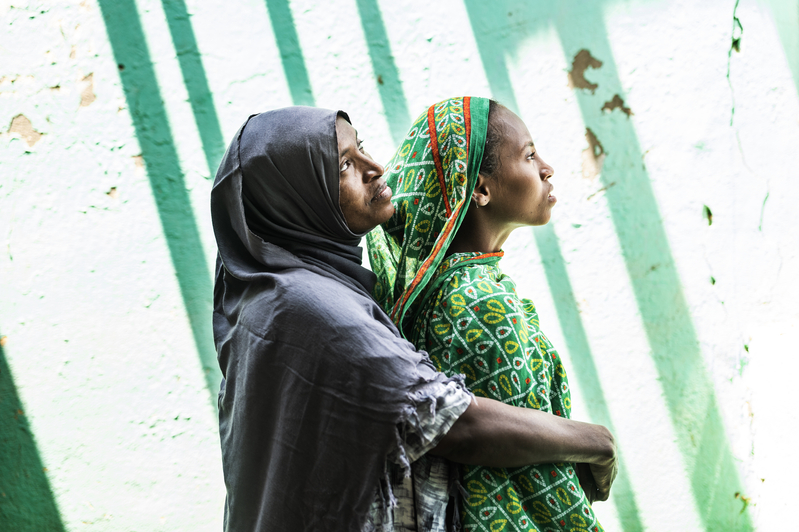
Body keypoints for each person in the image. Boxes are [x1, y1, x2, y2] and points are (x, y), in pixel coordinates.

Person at [210, 104, 616, 532]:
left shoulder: (278, 288)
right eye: (345, 165)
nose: (374, 167)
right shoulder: (310, 306)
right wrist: (596, 443)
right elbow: (454, 422)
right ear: (296, 196)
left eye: (361, 147)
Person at [367, 96, 608, 532]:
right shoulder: (478, 301)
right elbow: (538, 474)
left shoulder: (450, 289)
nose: (546, 168)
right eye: (529, 155)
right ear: (479, 188)